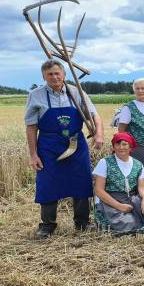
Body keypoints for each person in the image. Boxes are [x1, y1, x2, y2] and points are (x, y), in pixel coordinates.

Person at [25, 59, 104, 238]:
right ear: (44, 77)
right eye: (50, 74)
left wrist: (99, 134)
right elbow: (31, 126)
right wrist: (33, 154)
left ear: (64, 74)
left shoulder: (76, 91)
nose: (54, 77)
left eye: (57, 73)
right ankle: (47, 225)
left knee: (82, 181)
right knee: (48, 182)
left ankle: (82, 222)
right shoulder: (36, 95)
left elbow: (94, 115)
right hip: (49, 146)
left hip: (76, 143)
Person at [92, 132, 144, 235]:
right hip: (111, 200)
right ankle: (135, 227)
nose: (121, 147)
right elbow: (98, 191)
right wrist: (119, 206)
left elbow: (141, 187)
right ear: (113, 146)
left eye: (124, 144)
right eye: (117, 144)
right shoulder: (105, 162)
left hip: (131, 199)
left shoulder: (138, 164)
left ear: (130, 147)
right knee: (129, 224)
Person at [117, 78, 144, 172]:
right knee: (142, 174)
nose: (140, 91)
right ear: (134, 90)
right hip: (138, 150)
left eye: (143, 88)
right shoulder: (128, 107)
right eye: (137, 88)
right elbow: (121, 131)